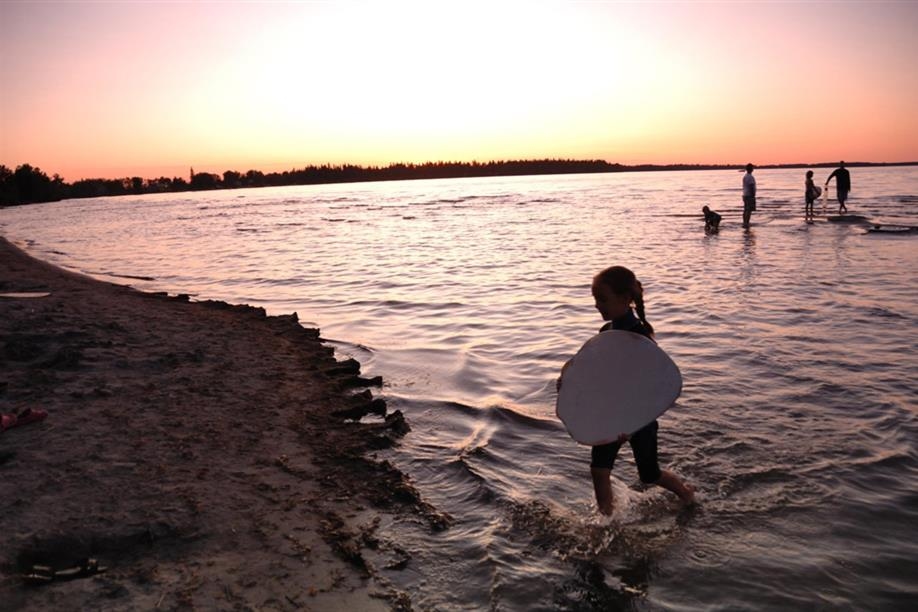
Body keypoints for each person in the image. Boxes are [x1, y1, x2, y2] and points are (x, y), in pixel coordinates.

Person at [562, 266, 695, 515]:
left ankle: (686, 493)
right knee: (599, 470)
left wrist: (630, 422)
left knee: (649, 474)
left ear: (624, 299)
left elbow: (651, 382)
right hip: (610, 415)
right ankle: (606, 521)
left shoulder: (640, 336)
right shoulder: (606, 333)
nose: (597, 305)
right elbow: (593, 369)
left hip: (640, 418)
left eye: (602, 299)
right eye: (595, 300)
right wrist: (568, 375)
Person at [742, 163, 756, 228]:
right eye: (752, 168)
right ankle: (747, 222)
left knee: (746, 209)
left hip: (745, 194)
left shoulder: (745, 176)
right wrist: (753, 194)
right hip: (749, 195)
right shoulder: (750, 177)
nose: (753, 169)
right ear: (751, 169)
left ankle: (745, 222)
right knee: (748, 210)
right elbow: (751, 186)